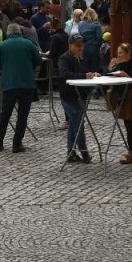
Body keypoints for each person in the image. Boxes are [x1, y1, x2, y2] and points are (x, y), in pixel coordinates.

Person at [0, 18, 40, 154]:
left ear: (8, 33)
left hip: (9, 84)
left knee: (5, 114)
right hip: (27, 84)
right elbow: (38, 60)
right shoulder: (29, 44)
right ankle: (17, 144)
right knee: (22, 115)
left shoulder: (3, 45)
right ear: (20, 32)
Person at [103, 41, 132, 165]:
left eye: (121, 53)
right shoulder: (119, 66)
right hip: (122, 98)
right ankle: (131, 153)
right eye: (118, 53)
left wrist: (127, 77)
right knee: (128, 126)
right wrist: (109, 68)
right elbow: (108, 80)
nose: (119, 55)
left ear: (128, 53)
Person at [54, 32, 93, 164]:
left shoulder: (82, 58)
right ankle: (84, 151)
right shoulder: (64, 59)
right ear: (70, 45)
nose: (80, 47)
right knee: (78, 124)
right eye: (77, 45)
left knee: (74, 124)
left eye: (81, 45)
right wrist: (84, 76)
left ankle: (70, 152)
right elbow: (64, 74)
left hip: (81, 95)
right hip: (69, 96)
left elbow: (86, 71)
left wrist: (92, 74)